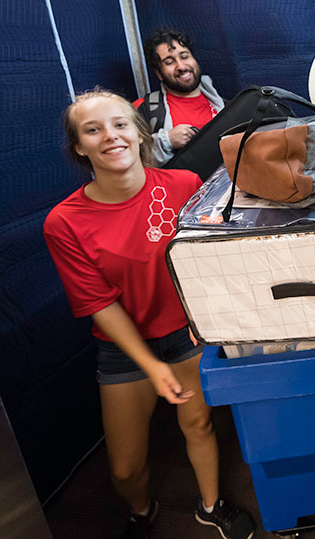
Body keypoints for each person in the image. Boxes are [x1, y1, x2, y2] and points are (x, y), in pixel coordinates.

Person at [43, 89, 254, 539]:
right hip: (125, 351)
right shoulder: (64, 222)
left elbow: (207, 263)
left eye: (119, 124)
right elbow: (99, 303)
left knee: (198, 423)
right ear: (80, 147)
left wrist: (210, 320)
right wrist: (151, 366)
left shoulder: (181, 185)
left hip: (187, 333)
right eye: (92, 129)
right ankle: (141, 511)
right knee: (123, 469)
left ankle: (211, 506)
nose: (110, 136)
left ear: (138, 133)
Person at [135, 29, 225, 164]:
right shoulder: (144, 109)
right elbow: (127, 158)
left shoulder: (226, 107)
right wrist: (166, 141)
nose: (181, 66)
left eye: (184, 56)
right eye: (169, 62)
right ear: (159, 73)